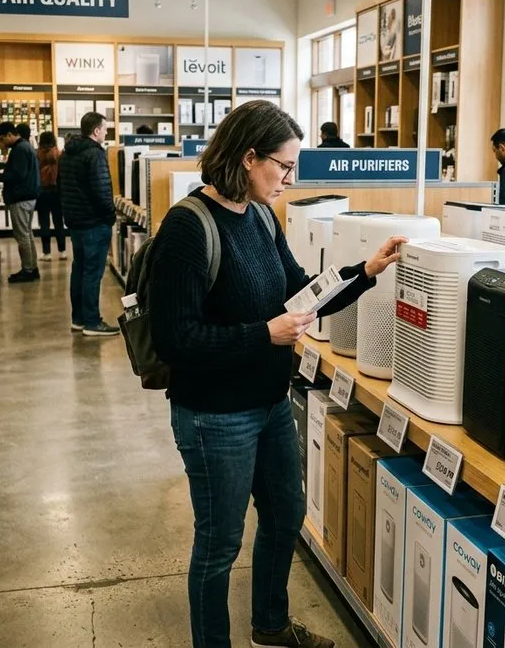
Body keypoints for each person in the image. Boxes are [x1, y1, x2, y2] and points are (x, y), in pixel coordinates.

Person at [149, 100, 405, 648]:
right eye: (284, 166)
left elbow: (301, 294)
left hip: (268, 404)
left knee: (286, 514)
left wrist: (365, 272)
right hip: (214, 417)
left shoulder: (263, 217)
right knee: (219, 545)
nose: (290, 179)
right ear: (248, 158)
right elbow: (176, 340)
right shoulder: (188, 227)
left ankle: (269, 626)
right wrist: (263, 334)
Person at [59, 112, 119, 337]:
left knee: (79, 269)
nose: (106, 132)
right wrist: (110, 216)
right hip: (94, 222)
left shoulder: (68, 153)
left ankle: (79, 319)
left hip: (75, 221)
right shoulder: (95, 154)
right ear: (96, 131)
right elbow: (102, 190)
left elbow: (61, 186)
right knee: (93, 273)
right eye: (105, 128)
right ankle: (92, 322)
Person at [0, 121, 41, 283]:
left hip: (21, 198)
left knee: (22, 236)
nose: (1, 143)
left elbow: (18, 175)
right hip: (28, 197)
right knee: (27, 234)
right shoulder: (25, 147)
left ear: (10, 135)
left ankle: (28, 270)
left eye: (1, 139)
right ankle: (32, 267)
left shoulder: (19, 149)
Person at [36, 132, 66, 261]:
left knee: (44, 223)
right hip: (57, 191)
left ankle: (47, 253)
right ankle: (62, 251)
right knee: (59, 222)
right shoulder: (59, 154)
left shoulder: (38, 154)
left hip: (42, 192)